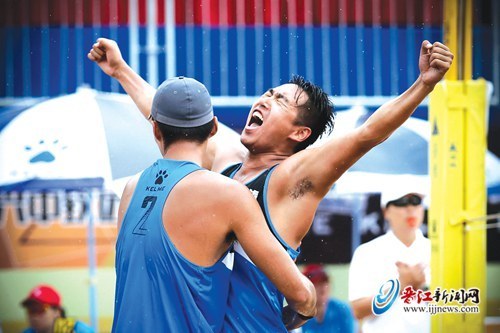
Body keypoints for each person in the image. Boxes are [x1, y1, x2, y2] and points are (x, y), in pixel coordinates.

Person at [88, 38, 452, 331]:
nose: (265, 98)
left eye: (279, 99)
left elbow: (367, 135)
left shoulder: (293, 177)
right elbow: (176, 119)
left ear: (299, 132)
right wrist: (121, 71)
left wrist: (423, 84)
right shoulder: (228, 167)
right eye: (269, 92)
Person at [109, 76, 315, 332]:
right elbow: (302, 296)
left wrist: (120, 70)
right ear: (214, 128)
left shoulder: (131, 190)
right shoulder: (227, 194)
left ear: (155, 130)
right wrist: (307, 302)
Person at [348, 187, 430, 333]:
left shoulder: (437, 251)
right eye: (402, 202)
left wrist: (424, 287)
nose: (410, 208)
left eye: (416, 201)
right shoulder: (367, 252)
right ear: (386, 211)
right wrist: (398, 287)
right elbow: (358, 311)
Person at [300, 264, 356, 333]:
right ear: (306, 286)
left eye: (325, 281)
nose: (323, 287)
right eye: (317, 282)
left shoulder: (342, 309)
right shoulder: (298, 312)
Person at [20, 284, 94, 333]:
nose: (34, 316)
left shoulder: (78, 330)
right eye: (31, 310)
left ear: (57, 312)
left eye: (40, 309)